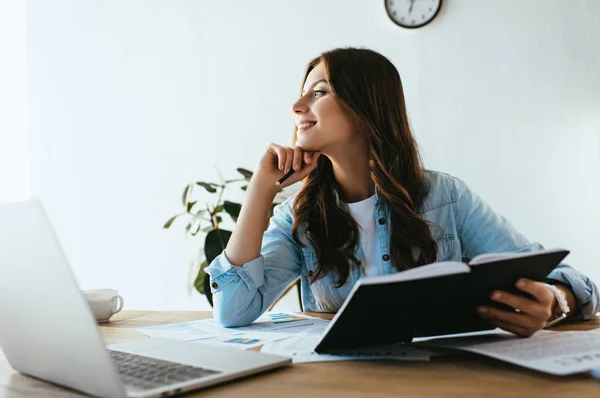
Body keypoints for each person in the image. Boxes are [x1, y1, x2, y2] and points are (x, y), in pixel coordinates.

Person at [205, 47, 599, 336]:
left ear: (366, 106)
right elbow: (232, 311)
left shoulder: (444, 196)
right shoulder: (300, 215)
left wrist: (555, 300)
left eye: (319, 92)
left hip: (436, 379)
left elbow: (562, 277)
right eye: (303, 92)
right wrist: (260, 188)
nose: (297, 105)